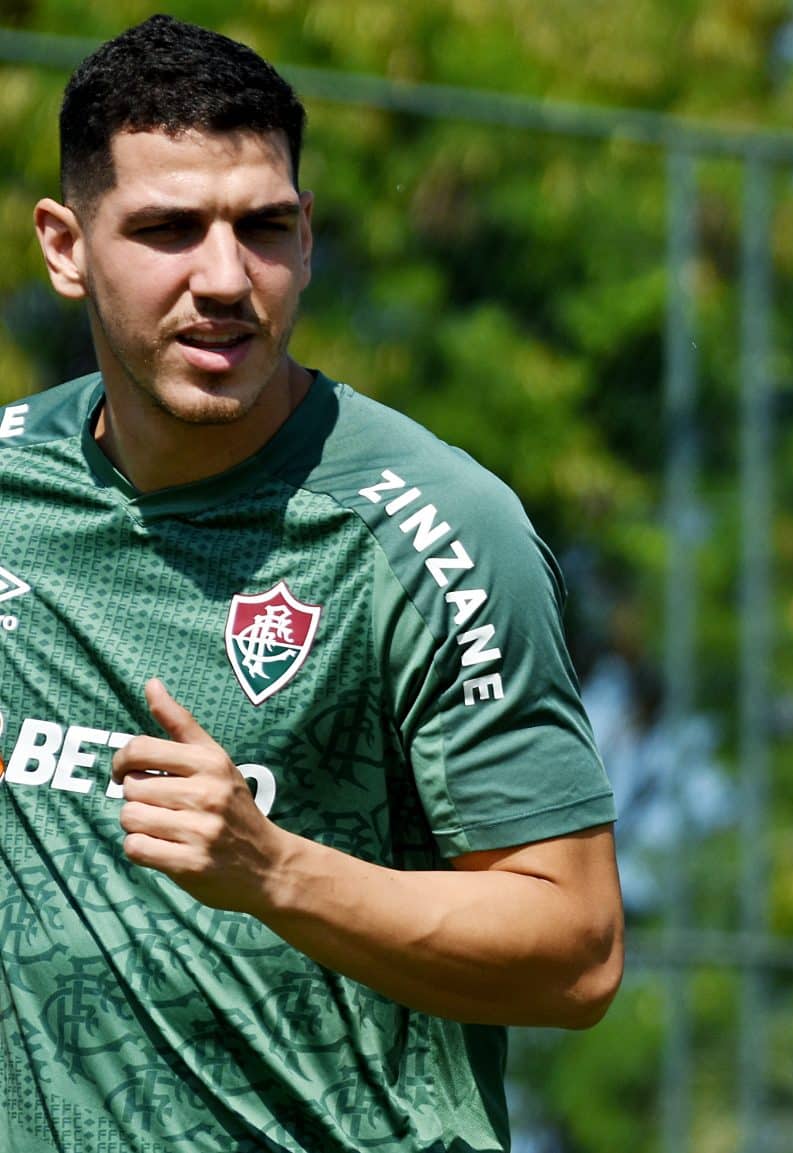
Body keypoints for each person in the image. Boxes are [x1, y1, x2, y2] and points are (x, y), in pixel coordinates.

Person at [8, 16, 622, 1150]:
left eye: (267, 227)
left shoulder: (440, 531)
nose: (227, 278)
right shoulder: (10, 490)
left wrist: (275, 869)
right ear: (64, 246)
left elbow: (577, 950)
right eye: (168, 229)